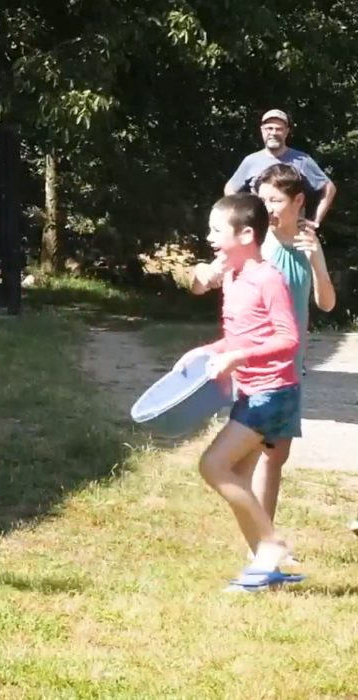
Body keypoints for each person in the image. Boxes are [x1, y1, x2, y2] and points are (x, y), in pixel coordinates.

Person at [194, 165, 336, 561]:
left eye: (276, 200)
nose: (268, 207)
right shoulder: (258, 248)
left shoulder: (303, 246)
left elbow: (325, 304)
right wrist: (204, 275)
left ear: (298, 202)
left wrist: (318, 264)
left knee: (271, 459)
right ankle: (267, 548)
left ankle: (266, 549)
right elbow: (211, 278)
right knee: (251, 461)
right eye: (263, 199)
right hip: (262, 371)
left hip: (286, 368)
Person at [178, 193, 303, 592]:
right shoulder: (232, 278)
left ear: (246, 233)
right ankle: (265, 574)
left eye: (217, 230)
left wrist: (239, 357)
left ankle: (271, 545)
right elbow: (237, 339)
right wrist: (206, 351)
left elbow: (289, 338)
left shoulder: (267, 278)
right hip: (253, 391)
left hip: (273, 393)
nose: (209, 236)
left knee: (213, 466)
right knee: (240, 480)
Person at [224, 109, 337, 226]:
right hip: (261, 231)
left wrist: (315, 221)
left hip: (294, 232)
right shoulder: (251, 161)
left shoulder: (303, 160)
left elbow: (329, 188)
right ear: (262, 130)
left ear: (287, 132)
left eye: (279, 129)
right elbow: (230, 189)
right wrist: (244, 216)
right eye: (269, 128)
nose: (273, 133)